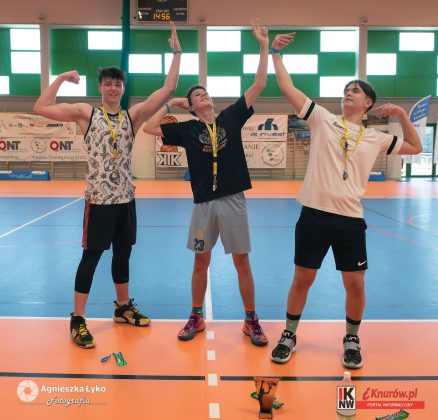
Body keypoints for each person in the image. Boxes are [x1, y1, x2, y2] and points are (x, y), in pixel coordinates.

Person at [269, 33, 422, 367]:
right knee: (303, 279)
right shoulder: (322, 120)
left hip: (350, 220)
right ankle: (289, 334)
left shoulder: (375, 137)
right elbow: (286, 87)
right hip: (313, 214)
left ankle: (352, 340)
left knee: (354, 284)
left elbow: (416, 147)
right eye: (345, 90)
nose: (347, 93)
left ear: (368, 103)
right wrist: (274, 53)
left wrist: (402, 114)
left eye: (355, 91)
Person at [33, 22, 182, 349]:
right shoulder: (86, 113)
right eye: (108, 83)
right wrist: (61, 77)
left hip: (125, 199)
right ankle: (77, 319)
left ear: (123, 88)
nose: (113, 88)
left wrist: (176, 53)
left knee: (123, 255)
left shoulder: (132, 116)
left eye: (118, 83)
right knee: (91, 258)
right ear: (101, 87)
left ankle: (122, 307)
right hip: (99, 201)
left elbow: (168, 88)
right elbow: (41, 107)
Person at [143, 20, 269, 346]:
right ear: (192, 106)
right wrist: (171, 104)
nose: (203, 96)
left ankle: (251, 319)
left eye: (205, 93)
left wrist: (263, 45)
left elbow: (259, 83)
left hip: (233, 200)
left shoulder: (230, 117)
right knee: (201, 260)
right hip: (203, 205)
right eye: (196, 95)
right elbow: (149, 128)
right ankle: (196, 315)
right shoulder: (187, 129)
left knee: (242, 261)